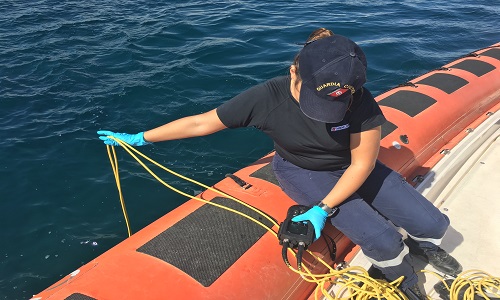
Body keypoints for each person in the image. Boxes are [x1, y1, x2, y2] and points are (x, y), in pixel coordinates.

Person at [97, 28, 462, 299]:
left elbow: (362, 164)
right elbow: (201, 122)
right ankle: (403, 280)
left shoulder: (361, 100)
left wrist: (323, 210)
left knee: (433, 223)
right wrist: (139, 137)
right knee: (382, 240)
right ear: (293, 72)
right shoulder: (265, 98)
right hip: (302, 168)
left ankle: (421, 245)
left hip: (351, 166)